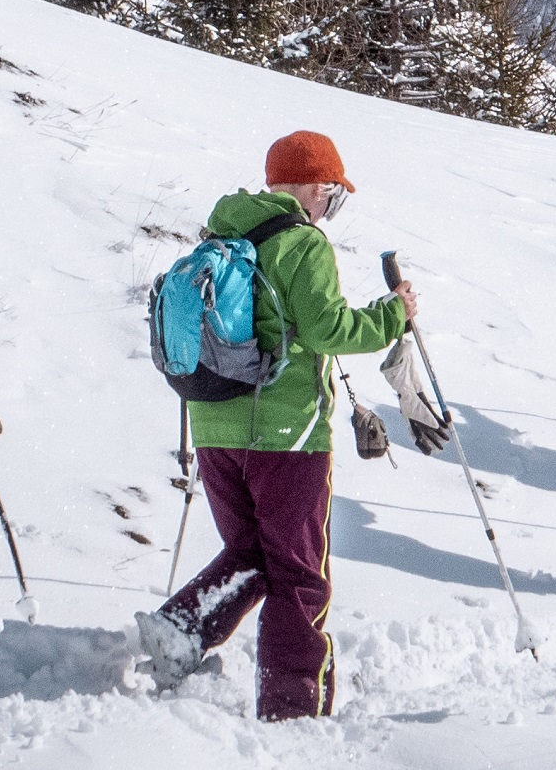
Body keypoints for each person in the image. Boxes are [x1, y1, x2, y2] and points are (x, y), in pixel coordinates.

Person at [135, 131, 412, 721]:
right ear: (317, 187)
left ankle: (182, 627)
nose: (329, 210)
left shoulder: (223, 234)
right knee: (298, 575)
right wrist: (395, 314)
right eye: (333, 197)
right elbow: (329, 331)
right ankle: (292, 710)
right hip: (286, 435)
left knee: (253, 552)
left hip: (212, 425)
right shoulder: (303, 245)